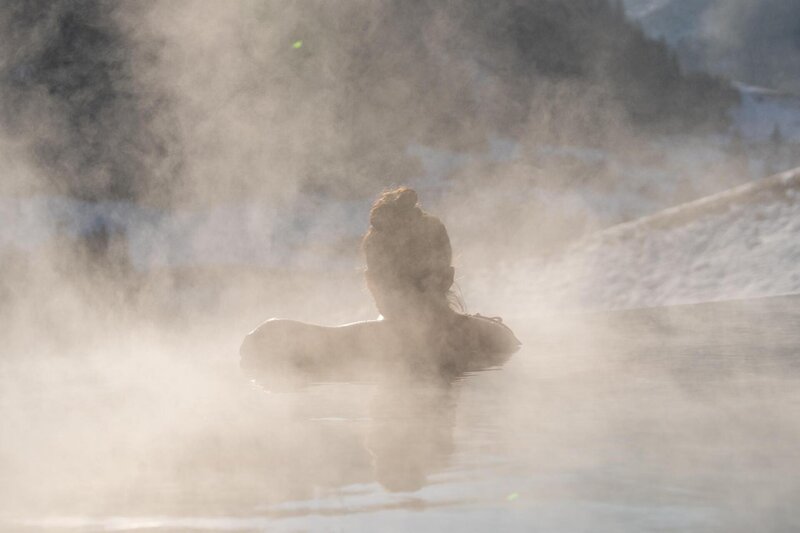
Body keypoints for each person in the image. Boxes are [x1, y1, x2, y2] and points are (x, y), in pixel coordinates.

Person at [240, 187, 519, 385]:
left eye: (416, 283)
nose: (409, 295)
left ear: (371, 283)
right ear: (448, 277)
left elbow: (265, 338)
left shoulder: (358, 345)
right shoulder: (492, 338)